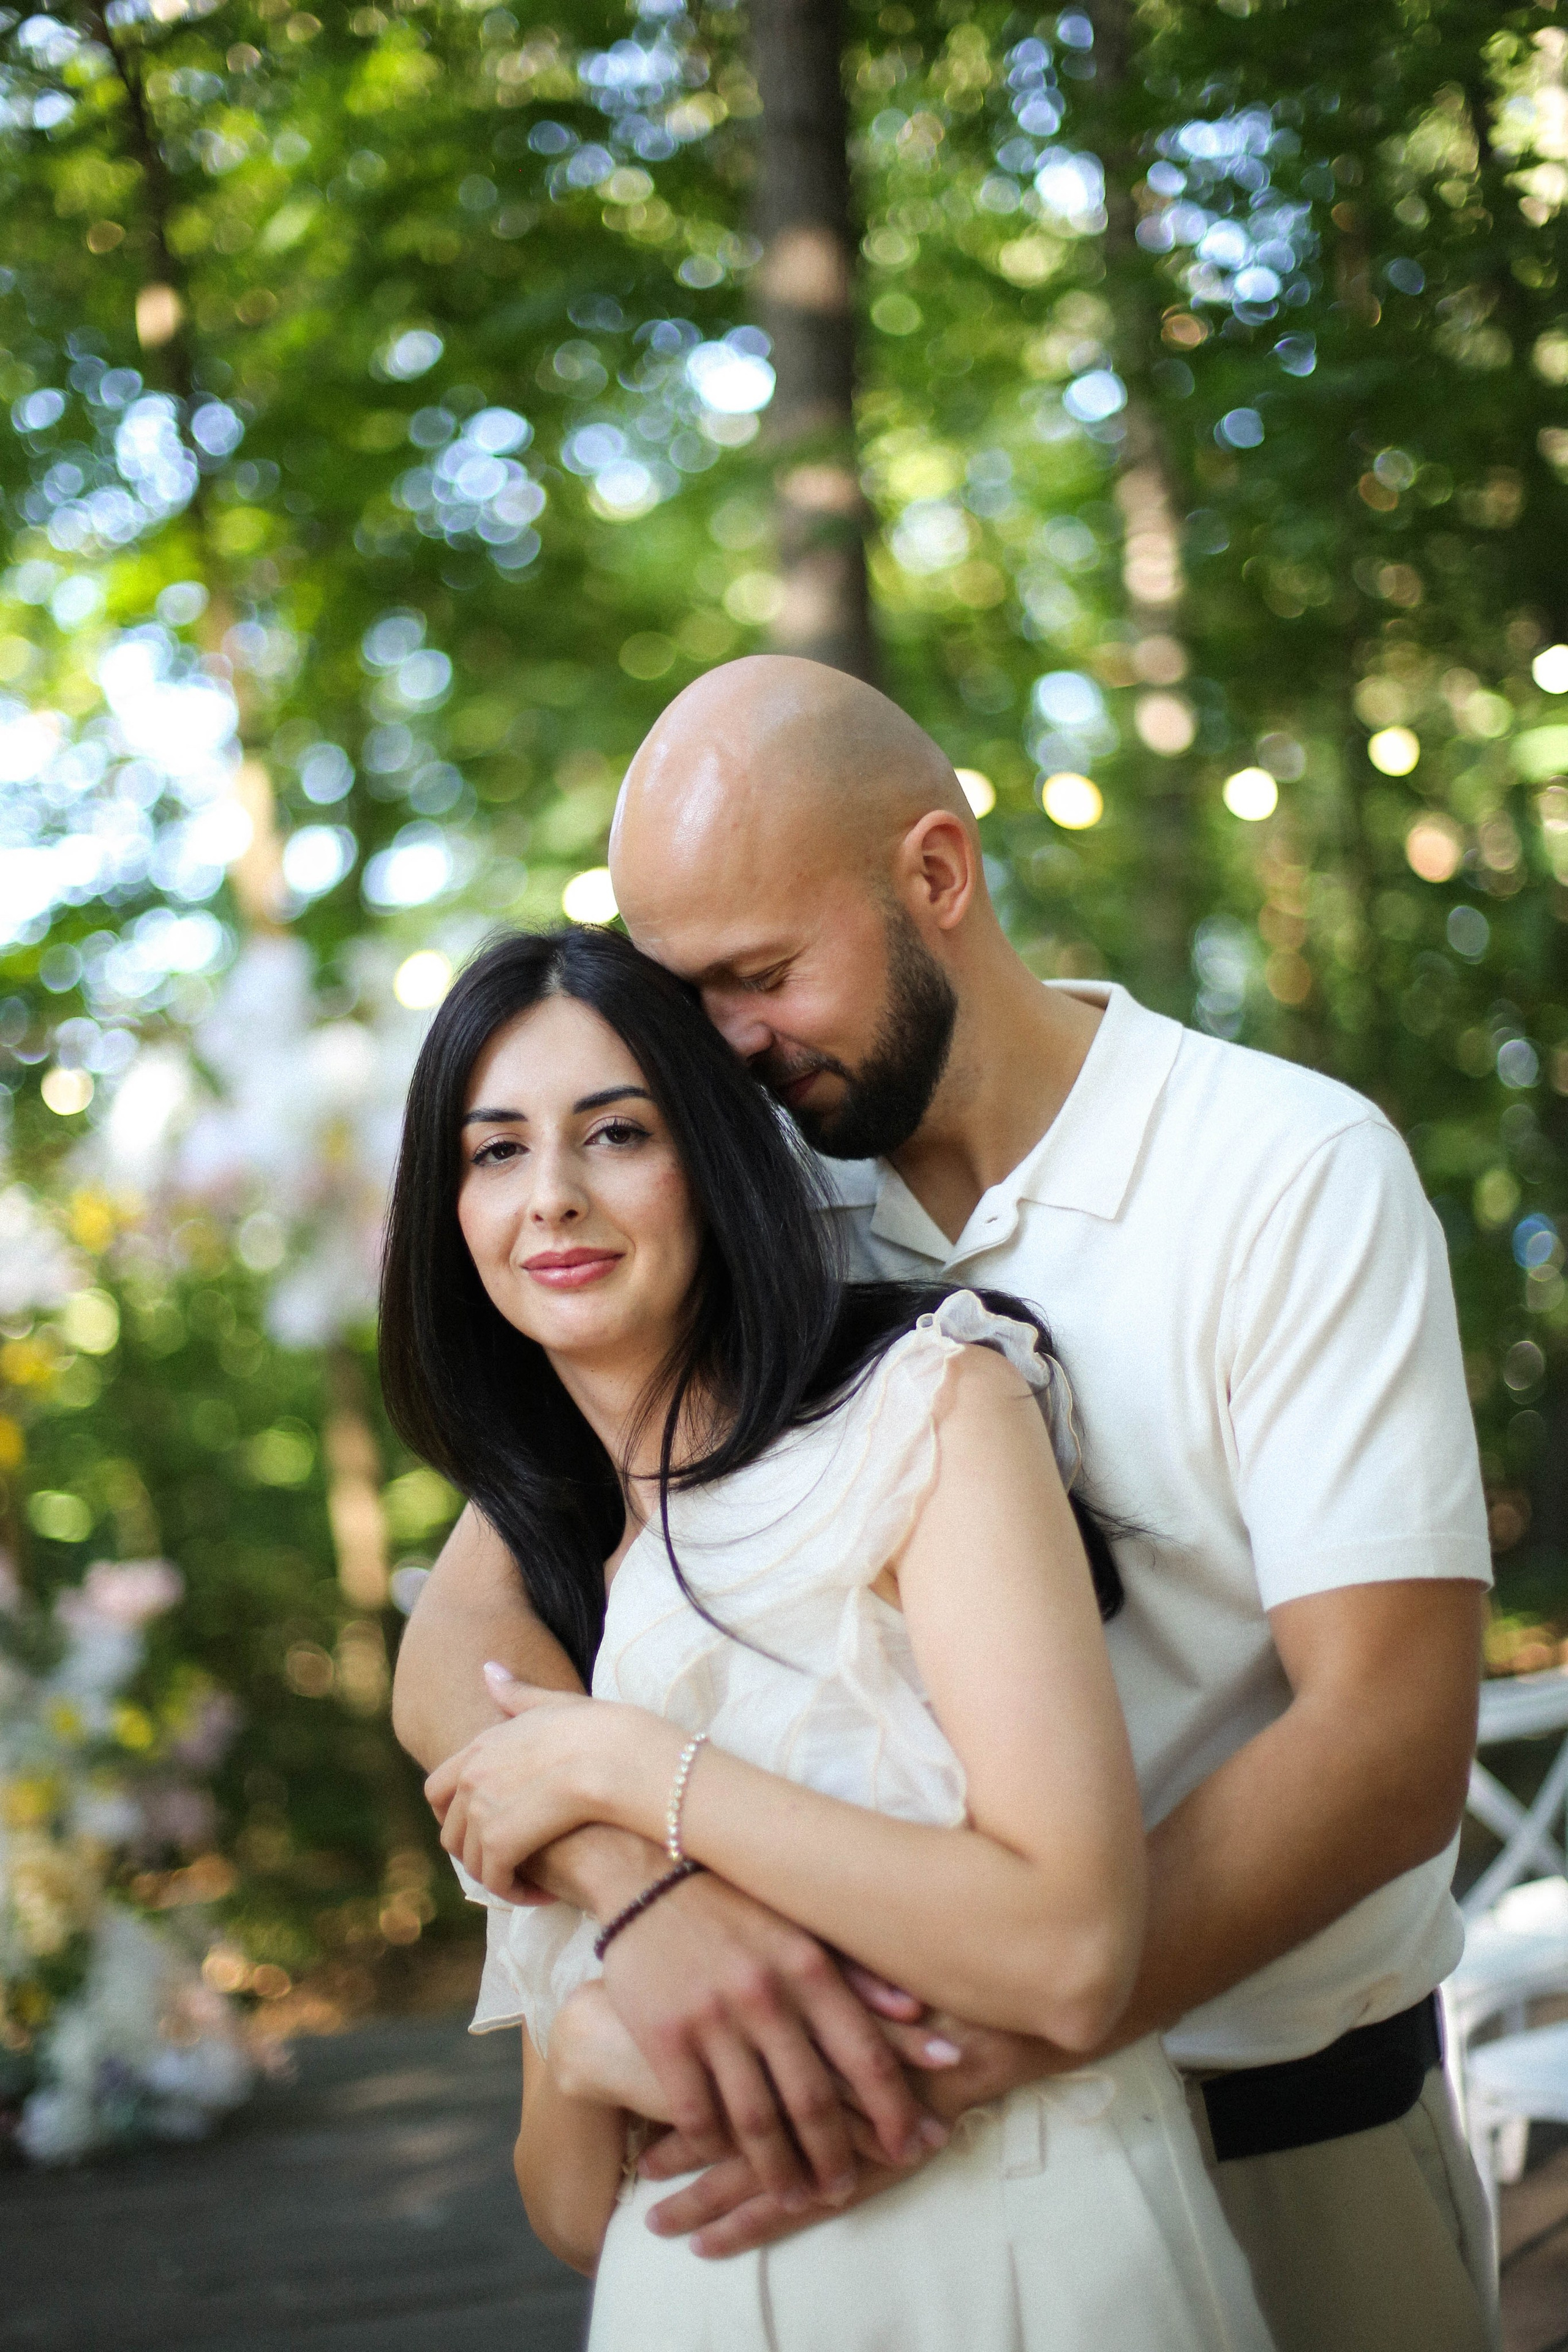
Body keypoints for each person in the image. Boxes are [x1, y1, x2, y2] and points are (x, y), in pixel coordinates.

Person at [394, 658, 1496, 2352]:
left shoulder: (1282, 1170)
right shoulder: (763, 1204)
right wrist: (650, 1888)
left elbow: (1389, 1744)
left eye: (762, 975)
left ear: (935, 875)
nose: (733, 1047)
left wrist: (947, 2049)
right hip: (877, 2177)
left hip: (1280, 2114)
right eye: (695, 1004)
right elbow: (473, 1622)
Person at [382, 921, 1275, 2350]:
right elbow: (566, 2207)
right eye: (494, 1152)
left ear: (715, 1156)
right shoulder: (546, 1582)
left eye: (614, 1133)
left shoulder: (926, 1413)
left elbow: (1066, 1947)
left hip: (1024, 2276)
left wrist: (630, 1772)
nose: (549, 1198)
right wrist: (603, 2040)